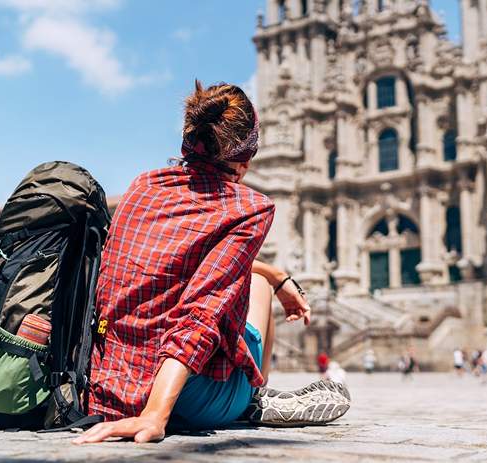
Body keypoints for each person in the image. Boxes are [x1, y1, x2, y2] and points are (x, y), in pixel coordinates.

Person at [75, 81, 350, 445]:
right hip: (184, 400)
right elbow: (200, 313)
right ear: (245, 159)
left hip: (108, 385)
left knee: (260, 277)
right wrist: (155, 415)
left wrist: (275, 271)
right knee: (258, 286)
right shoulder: (249, 208)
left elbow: (172, 270)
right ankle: (252, 397)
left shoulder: (142, 185)